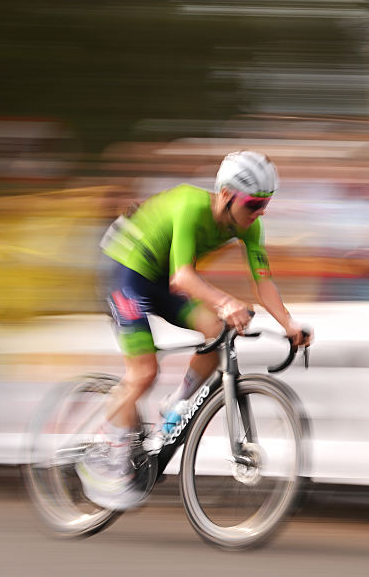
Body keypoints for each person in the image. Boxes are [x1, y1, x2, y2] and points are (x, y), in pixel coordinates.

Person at [77, 150, 311, 510]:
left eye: (266, 203)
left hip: (159, 280)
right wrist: (226, 301)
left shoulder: (251, 226)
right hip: (125, 271)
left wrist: (289, 323)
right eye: (253, 203)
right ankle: (105, 449)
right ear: (226, 194)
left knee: (216, 331)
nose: (260, 212)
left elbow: (263, 282)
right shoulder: (190, 205)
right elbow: (183, 276)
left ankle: (177, 404)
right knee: (143, 373)